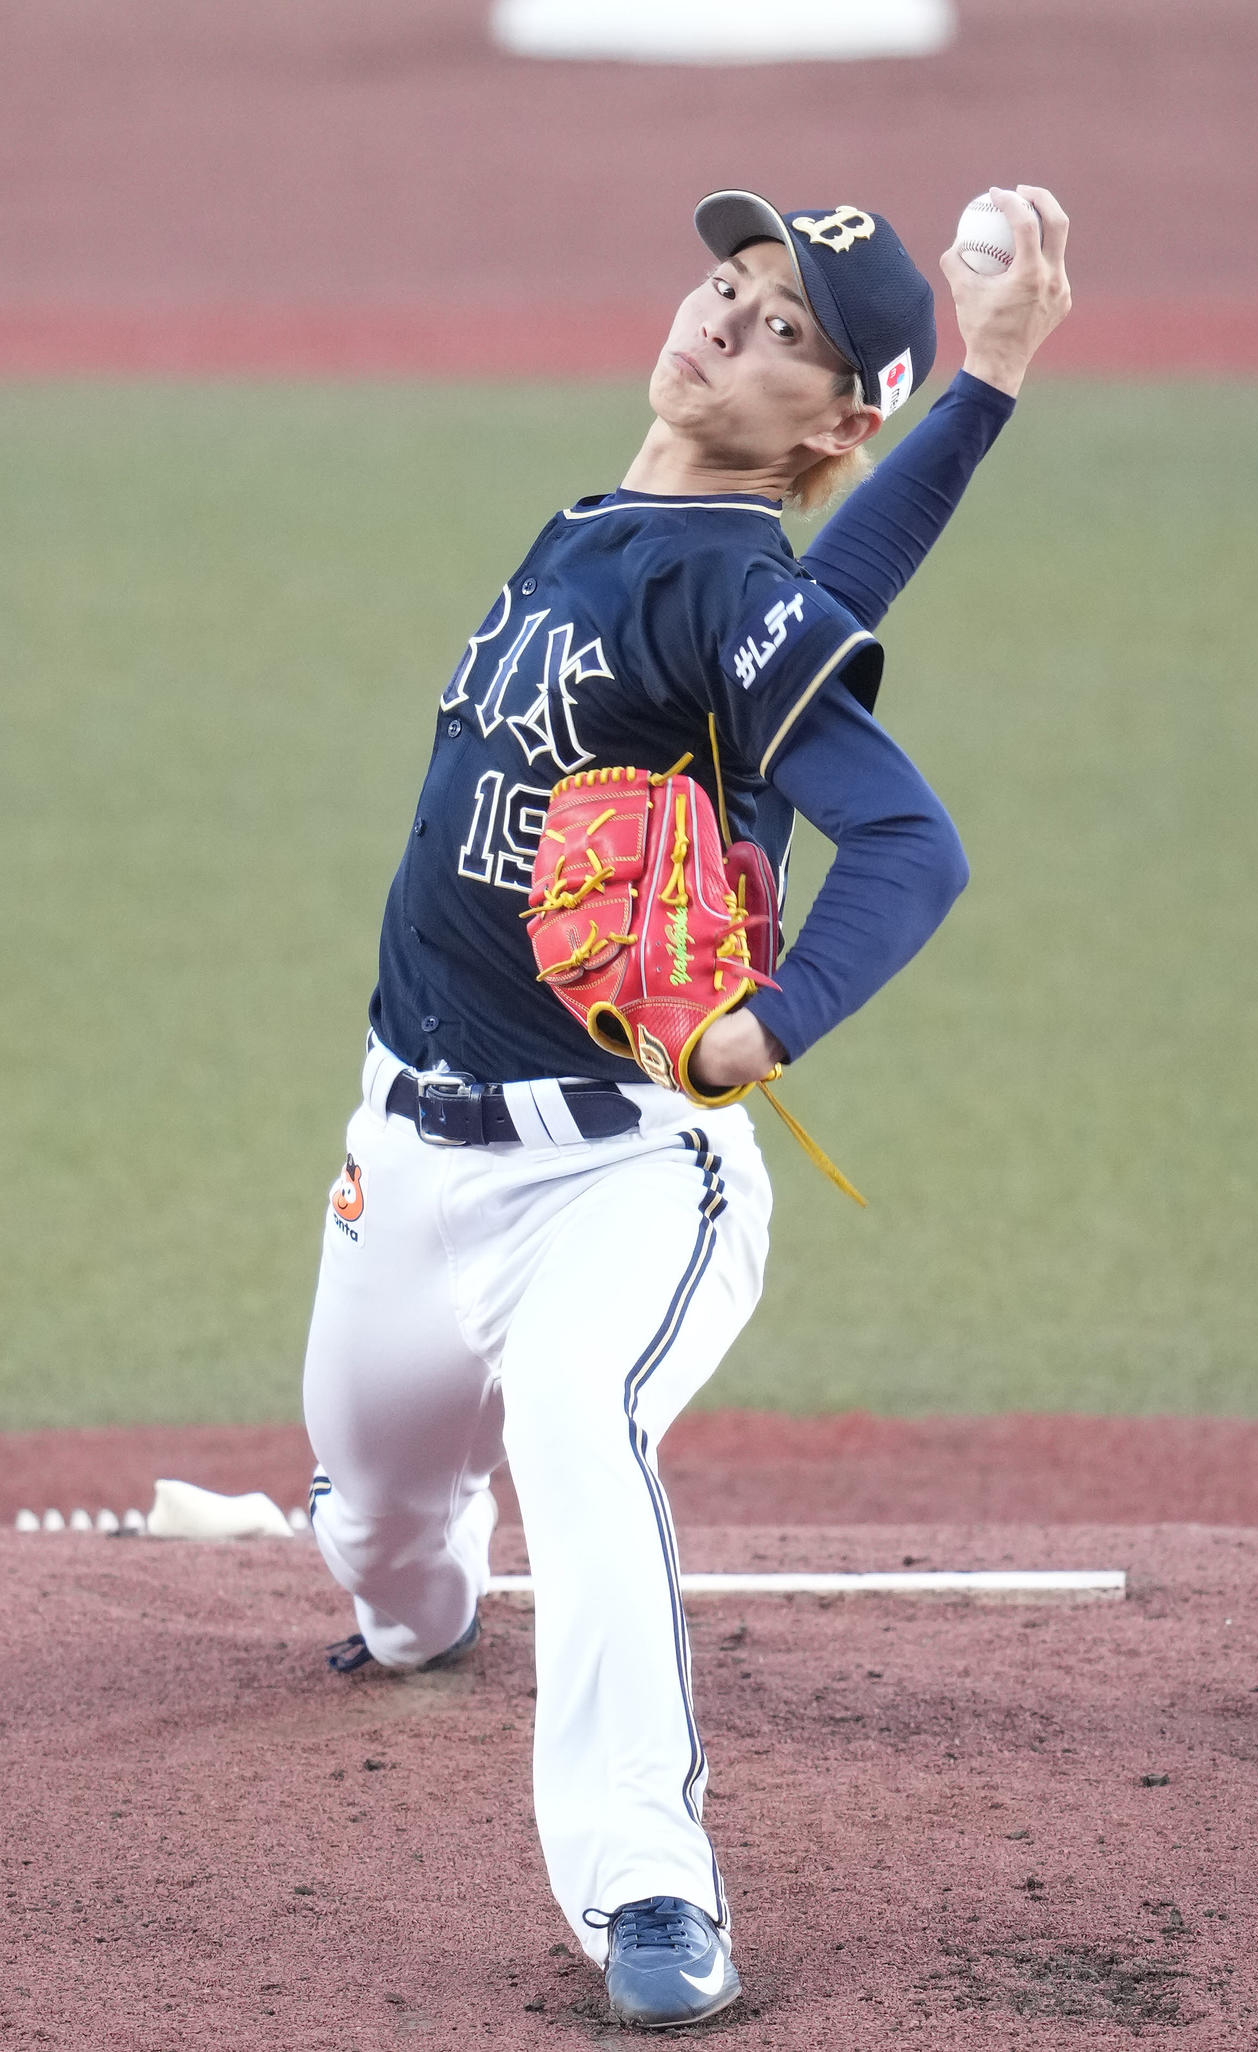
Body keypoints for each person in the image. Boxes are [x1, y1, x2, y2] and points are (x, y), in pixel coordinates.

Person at [302, 184, 1070, 2029]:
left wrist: (763, 1029)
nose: (726, 317)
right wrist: (989, 382)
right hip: (403, 1146)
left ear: (829, 417)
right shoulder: (626, 528)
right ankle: (419, 1603)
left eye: (784, 326)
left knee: (578, 1423)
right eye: (730, 282)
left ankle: (649, 1888)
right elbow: (822, 597)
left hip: (621, 1177)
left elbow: (911, 842)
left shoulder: (721, 579)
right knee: (385, 1551)